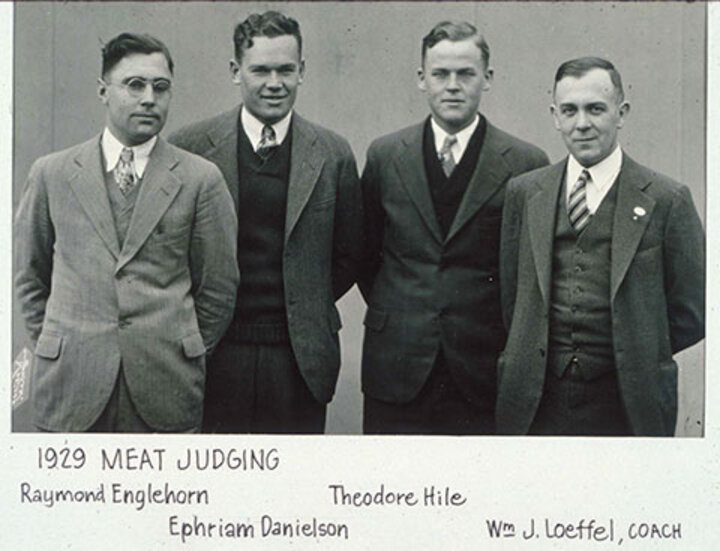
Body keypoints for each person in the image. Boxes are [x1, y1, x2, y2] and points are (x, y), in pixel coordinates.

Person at [14, 33, 239, 432]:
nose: (149, 97)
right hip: (70, 387)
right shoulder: (52, 173)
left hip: (165, 387)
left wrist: (179, 350)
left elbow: (218, 287)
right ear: (103, 91)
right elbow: (29, 279)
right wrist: (60, 346)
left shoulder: (200, 180)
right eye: (134, 85)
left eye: (160, 87)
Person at [169, 11, 362, 434]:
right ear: (236, 72)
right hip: (215, 349)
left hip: (299, 354)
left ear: (302, 71)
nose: (274, 82)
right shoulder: (191, 147)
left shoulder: (333, 153)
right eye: (261, 70)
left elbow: (351, 254)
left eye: (285, 70)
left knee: (294, 488)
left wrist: (303, 296)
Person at [497, 57, 705, 436]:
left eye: (596, 109)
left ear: (621, 113)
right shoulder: (525, 192)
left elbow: (694, 310)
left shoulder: (666, 198)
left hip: (627, 403)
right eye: (569, 110)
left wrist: (638, 348)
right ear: (555, 116)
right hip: (537, 399)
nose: (582, 124)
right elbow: (512, 296)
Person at [359, 21, 549, 435]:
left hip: (482, 367)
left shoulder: (525, 163)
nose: (452, 86)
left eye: (466, 74)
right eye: (440, 74)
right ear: (421, 79)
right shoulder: (385, 155)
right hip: (398, 363)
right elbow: (364, 255)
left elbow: (527, 273)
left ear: (488, 78)